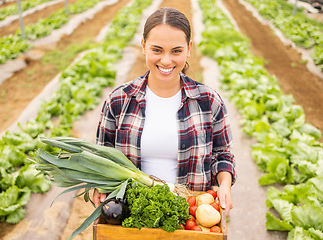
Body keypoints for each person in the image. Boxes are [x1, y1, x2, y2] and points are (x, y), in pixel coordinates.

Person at [93, 7, 236, 216]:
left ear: (188, 49)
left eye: (176, 51)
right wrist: (99, 184)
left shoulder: (209, 101)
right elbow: (102, 156)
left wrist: (224, 185)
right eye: (157, 50)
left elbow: (223, 155)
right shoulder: (118, 101)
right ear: (144, 47)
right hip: (132, 215)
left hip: (192, 215)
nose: (166, 61)